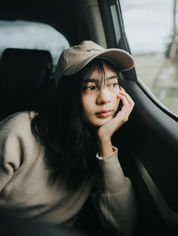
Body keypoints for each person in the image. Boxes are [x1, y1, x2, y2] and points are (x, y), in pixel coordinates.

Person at [0, 40, 137, 236]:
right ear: (68, 94)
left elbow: (125, 225)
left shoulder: (98, 148)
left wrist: (105, 141)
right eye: (90, 87)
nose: (105, 98)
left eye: (113, 84)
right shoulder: (21, 130)